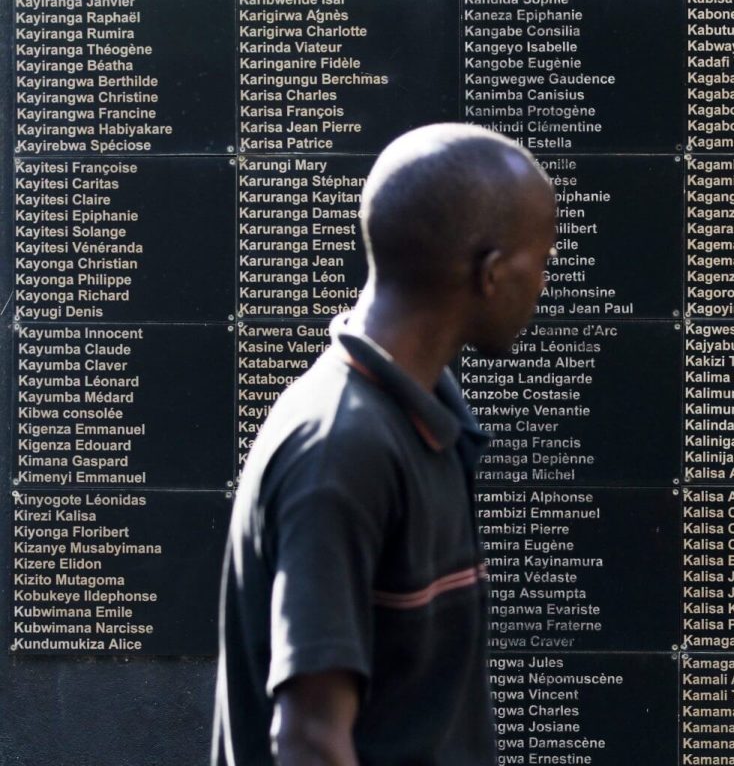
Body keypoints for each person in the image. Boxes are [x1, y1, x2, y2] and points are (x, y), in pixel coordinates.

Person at [212, 123, 557, 766]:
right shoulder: (339, 451)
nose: (543, 283)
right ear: (489, 274)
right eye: (541, 261)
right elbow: (310, 740)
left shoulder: (423, 420)